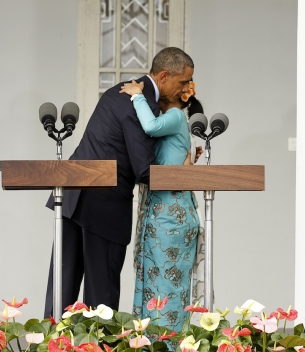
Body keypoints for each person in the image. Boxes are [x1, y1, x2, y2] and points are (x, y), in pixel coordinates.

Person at [44, 47, 197, 317]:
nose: (187, 88)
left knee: (61, 289)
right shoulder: (143, 104)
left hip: (70, 194)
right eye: (183, 81)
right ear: (164, 76)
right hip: (103, 204)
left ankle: (49, 346)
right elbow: (145, 170)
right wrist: (183, 173)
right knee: (100, 297)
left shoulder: (120, 91)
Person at [119, 80, 204, 331]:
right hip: (163, 212)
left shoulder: (176, 115)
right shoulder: (175, 122)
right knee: (154, 283)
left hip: (171, 214)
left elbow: (151, 125)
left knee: (168, 285)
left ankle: (168, 344)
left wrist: (137, 97)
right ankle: (152, 343)